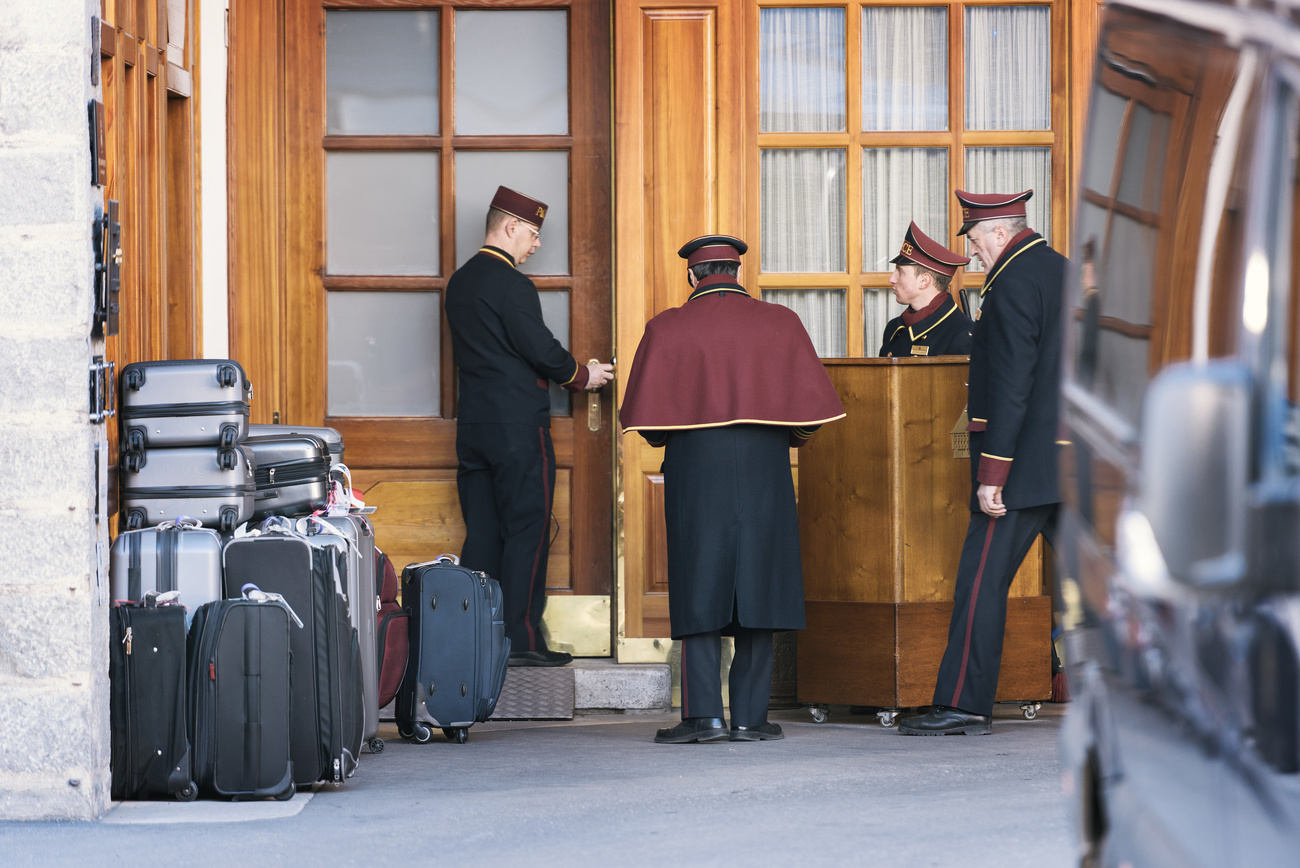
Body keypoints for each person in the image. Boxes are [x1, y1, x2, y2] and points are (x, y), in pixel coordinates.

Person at [619, 234, 845, 743]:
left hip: (696, 473)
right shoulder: (782, 322)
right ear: (737, 273)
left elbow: (649, 425)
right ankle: (749, 718)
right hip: (766, 469)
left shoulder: (666, 327)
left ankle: (704, 718)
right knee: (761, 583)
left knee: (698, 583)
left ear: (692, 276)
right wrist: (779, 436)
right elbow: (811, 419)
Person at [899, 189, 1067, 736]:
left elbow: (1012, 382)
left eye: (973, 238)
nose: (970, 251)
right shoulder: (1061, 271)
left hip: (1022, 467)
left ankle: (964, 704)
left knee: (979, 583)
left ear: (999, 231)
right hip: (1072, 460)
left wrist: (993, 473)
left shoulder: (1012, 280)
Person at [445, 185, 614, 667]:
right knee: (527, 528)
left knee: (482, 532)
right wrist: (582, 376)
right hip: (518, 428)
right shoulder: (511, 284)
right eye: (534, 234)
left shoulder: (460, 282)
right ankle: (520, 641)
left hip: (473, 426)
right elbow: (538, 347)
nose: (537, 245)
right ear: (511, 227)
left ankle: (478, 638)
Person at [878, 222, 973, 357]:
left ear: (924, 281)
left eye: (900, 272)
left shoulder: (962, 335)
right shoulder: (893, 328)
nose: (891, 279)